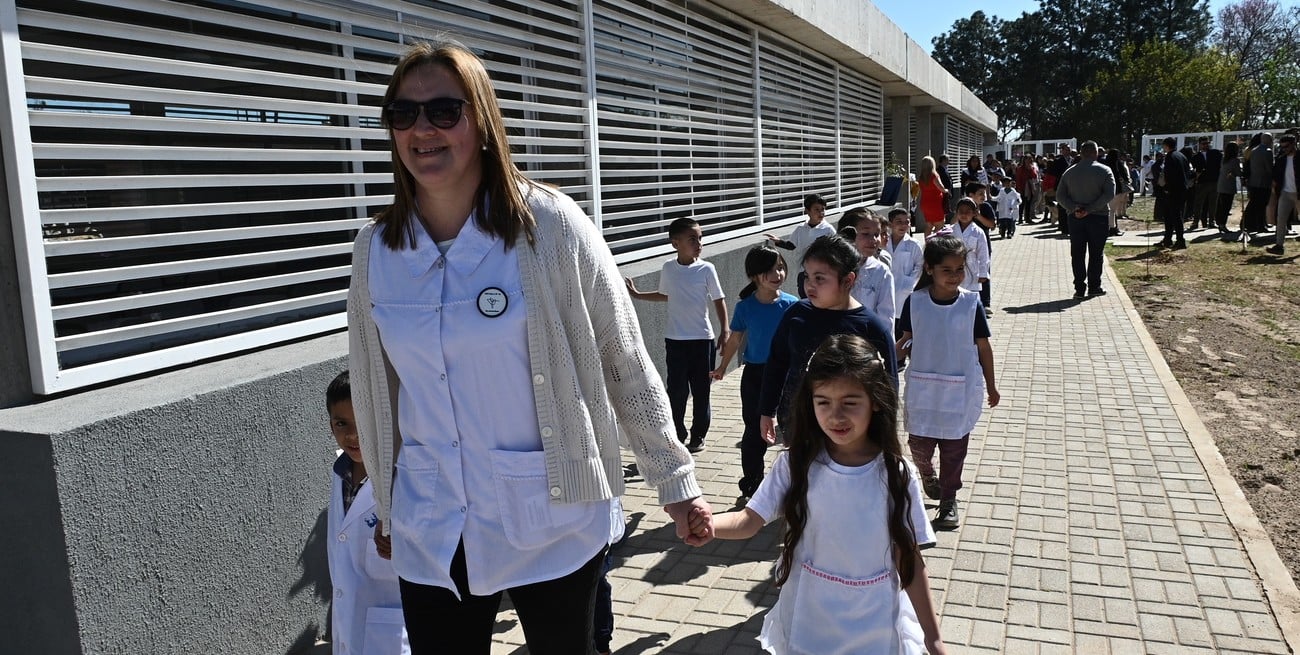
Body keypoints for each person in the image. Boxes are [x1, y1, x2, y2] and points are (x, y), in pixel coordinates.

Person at [347, 41, 714, 655]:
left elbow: (621, 354)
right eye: (403, 114)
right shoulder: (376, 250)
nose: (422, 129)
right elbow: (373, 389)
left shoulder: (548, 226)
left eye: (443, 110)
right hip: (431, 518)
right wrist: (387, 504)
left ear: (482, 121)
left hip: (551, 512)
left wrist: (674, 480)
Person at [697, 334, 946, 655]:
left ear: (875, 400)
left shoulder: (896, 474)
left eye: (850, 402)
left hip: (875, 620)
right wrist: (709, 524)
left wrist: (933, 638)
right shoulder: (795, 465)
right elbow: (748, 520)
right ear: (810, 402)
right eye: (823, 402)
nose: (836, 415)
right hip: (810, 617)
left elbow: (908, 557)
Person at [895, 235, 1000, 530]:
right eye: (947, 270)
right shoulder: (915, 302)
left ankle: (949, 499)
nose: (955, 276)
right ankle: (927, 474)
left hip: (959, 388)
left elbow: (983, 347)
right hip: (923, 388)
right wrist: (889, 357)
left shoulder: (970, 303)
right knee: (919, 445)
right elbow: (904, 341)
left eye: (959, 269)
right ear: (930, 269)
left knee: (955, 449)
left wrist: (992, 385)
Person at [758, 235, 899, 445]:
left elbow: (889, 385)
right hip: (799, 423)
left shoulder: (871, 328)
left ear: (848, 280)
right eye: (807, 276)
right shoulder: (796, 314)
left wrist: (882, 433)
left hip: (849, 431)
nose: (809, 285)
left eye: (820, 278)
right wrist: (767, 410)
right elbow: (777, 364)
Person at [324, 371, 410, 655]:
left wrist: (404, 546)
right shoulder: (340, 473)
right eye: (341, 423)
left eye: (363, 421)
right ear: (330, 425)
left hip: (393, 629)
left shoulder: (400, 477)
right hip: (349, 624)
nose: (352, 435)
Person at [626, 217, 729, 453]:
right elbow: (666, 295)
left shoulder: (707, 269)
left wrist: (725, 330)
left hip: (702, 340)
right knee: (676, 391)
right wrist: (638, 294)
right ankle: (677, 434)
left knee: (701, 391)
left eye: (700, 238)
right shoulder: (668, 268)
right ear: (676, 243)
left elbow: (719, 299)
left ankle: (698, 435)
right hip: (675, 341)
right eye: (692, 239)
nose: (699, 243)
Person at [712, 246, 799, 499]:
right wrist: (722, 367)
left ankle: (797, 482)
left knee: (792, 427)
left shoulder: (793, 305)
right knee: (754, 430)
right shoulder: (745, 307)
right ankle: (752, 483)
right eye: (769, 270)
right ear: (754, 275)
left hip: (787, 375)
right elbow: (735, 339)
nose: (777, 274)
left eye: (780, 267)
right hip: (755, 376)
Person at [1056, 141, 1117, 297]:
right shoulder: (1105, 170)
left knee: (1077, 253)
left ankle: (1079, 288)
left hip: (1075, 217)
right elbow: (1109, 194)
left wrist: (1074, 208)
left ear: (1081, 153)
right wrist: (1090, 209)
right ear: (1096, 153)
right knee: (1096, 253)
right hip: (1098, 217)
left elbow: (1060, 196)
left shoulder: (1069, 172)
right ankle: (1094, 286)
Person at [764, 193, 836, 298]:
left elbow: (837, 249)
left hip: (821, 272)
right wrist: (778, 241)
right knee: (805, 299)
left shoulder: (828, 229)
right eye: (817, 209)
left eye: (823, 209)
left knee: (820, 299)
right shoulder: (801, 229)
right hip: (803, 271)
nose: (821, 213)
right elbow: (791, 245)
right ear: (807, 210)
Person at [843, 221, 896, 335]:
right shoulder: (832, 269)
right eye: (865, 234)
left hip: (866, 341)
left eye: (877, 234)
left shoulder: (881, 272)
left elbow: (886, 319)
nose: (874, 240)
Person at [884, 208, 924, 337]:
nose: (903, 225)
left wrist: (909, 283)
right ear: (890, 224)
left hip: (904, 291)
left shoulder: (914, 244)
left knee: (901, 327)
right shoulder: (883, 243)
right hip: (885, 289)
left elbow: (920, 266)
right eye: (899, 222)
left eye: (906, 222)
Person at [949, 198, 991, 309]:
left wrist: (983, 273)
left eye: (967, 211)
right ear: (956, 212)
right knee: (954, 297)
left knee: (971, 302)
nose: (964, 214)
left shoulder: (978, 232)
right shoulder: (950, 230)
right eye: (961, 211)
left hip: (973, 270)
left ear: (974, 213)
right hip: (954, 268)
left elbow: (983, 254)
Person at [1153, 137, 1191, 250]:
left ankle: (1180, 240)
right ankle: (1167, 239)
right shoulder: (1181, 156)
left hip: (1173, 191)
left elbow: (1169, 174)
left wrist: (1167, 188)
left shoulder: (1170, 157)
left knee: (1175, 216)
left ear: (1166, 146)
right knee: (1170, 215)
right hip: (1183, 189)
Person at [1266, 133, 1299, 256]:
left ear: (1293, 144)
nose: (1284, 149)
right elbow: (1275, 175)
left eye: (1286, 146)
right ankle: (1279, 246)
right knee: (1280, 219)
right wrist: (1274, 186)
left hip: (1298, 193)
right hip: (1285, 192)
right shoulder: (1281, 159)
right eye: (1282, 147)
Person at [1190, 137, 1222, 231]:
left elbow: (1220, 164)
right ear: (1199, 145)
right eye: (1203, 144)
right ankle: (1195, 222)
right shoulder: (1196, 156)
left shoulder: (1215, 153)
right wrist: (1196, 176)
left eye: (1207, 143)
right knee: (1198, 203)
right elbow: (1193, 169)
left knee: (1213, 202)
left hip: (1214, 181)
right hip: (1202, 182)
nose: (1206, 145)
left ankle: (1212, 221)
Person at [916, 156, 949, 237]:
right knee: (939, 224)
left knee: (929, 225)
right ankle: (935, 242)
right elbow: (941, 188)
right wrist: (946, 191)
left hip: (925, 203)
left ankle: (927, 241)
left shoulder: (921, 177)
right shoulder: (934, 176)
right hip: (935, 204)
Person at [1216, 142, 1242, 235]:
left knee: (1221, 206)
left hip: (1221, 184)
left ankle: (1219, 222)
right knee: (1226, 206)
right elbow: (1238, 173)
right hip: (1228, 186)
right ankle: (1222, 224)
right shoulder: (1235, 160)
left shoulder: (1223, 159)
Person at [1102, 148, 1130, 237]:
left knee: (1108, 209)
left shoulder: (1104, 163)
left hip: (1105, 189)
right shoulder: (1118, 163)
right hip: (1116, 189)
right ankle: (1112, 228)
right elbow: (1124, 176)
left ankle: (1109, 227)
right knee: (1112, 210)